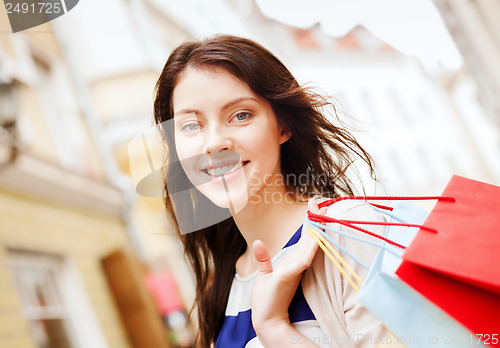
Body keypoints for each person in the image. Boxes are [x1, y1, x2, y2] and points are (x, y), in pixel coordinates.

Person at [154, 34, 389, 347]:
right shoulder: (223, 282)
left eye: (240, 115)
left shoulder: (351, 234)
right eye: (191, 126)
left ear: (283, 126)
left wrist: (276, 330)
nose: (214, 143)